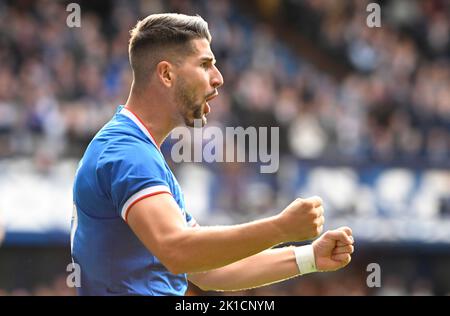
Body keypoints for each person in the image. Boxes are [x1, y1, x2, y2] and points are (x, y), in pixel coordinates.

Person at [71, 13, 354, 296]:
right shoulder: (127, 153)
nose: (218, 79)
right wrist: (281, 228)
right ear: (167, 74)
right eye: (205, 65)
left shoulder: (139, 152)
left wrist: (309, 257)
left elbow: (207, 270)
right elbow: (177, 250)